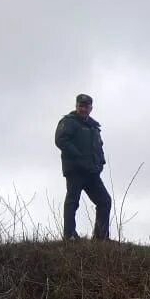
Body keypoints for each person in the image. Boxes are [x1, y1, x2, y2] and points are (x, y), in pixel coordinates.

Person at [54, 93, 110, 240]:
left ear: (91, 108)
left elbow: (99, 147)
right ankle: (70, 235)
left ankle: (101, 237)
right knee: (73, 201)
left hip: (92, 172)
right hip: (75, 170)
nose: (84, 109)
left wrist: (101, 162)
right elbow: (61, 140)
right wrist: (78, 157)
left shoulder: (94, 127)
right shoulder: (69, 122)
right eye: (81, 106)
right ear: (76, 106)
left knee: (105, 201)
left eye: (86, 106)